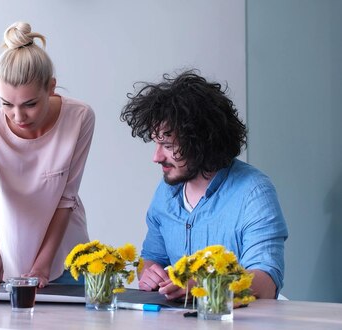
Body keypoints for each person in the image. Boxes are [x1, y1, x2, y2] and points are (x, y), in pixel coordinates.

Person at [120, 70, 288, 300]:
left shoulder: (254, 192)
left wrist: (206, 284)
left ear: (200, 142)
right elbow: (152, 258)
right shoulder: (166, 191)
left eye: (168, 146)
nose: (156, 157)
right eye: (156, 144)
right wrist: (150, 274)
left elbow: (266, 282)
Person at [0, 22, 94, 291]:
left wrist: (43, 265)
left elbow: (66, 199)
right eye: (6, 104)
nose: (18, 116)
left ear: (51, 88)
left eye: (30, 104)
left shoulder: (80, 117)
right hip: (10, 257)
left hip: (68, 259)